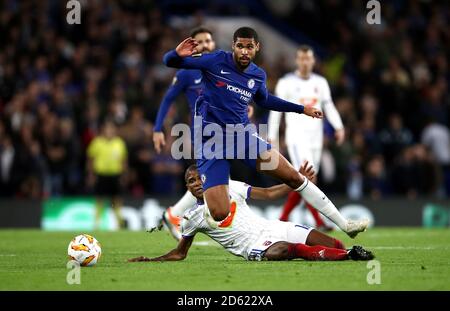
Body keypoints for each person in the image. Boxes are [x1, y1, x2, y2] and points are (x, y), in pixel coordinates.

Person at [162, 27, 368, 237]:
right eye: (240, 46)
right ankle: (212, 200)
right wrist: (176, 53)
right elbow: (170, 62)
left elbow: (266, 100)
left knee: (294, 177)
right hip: (211, 140)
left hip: (243, 137)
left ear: (256, 48)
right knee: (219, 213)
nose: (244, 51)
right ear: (233, 46)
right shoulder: (214, 61)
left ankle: (345, 224)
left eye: (249, 47)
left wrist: (301, 109)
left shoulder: (257, 75)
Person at [128, 163, 374, 262]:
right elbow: (180, 253)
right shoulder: (192, 218)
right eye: (191, 181)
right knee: (286, 250)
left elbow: (267, 194)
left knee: (332, 241)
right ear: (187, 188)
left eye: (199, 178)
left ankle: (344, 249)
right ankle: (350, 255)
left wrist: (295, 180)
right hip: (253, 247)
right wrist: (153, 260)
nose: (197, 183)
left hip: (272, 227)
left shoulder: (229, 186)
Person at [267, 45, 345, 229]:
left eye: (308, 58)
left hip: (315, 138)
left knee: (309, 180)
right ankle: (305, 220)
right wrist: (272, 136)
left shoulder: (320, 82)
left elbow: (329, 105)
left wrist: (339, 127)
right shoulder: (286, 82)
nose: (305, 62)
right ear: (297, 61)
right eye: (301, 59)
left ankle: (287, 219)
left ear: (313, 61)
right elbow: (276, 110)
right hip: (296, 137)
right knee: (307, 178)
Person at [152, 27, 216, 237]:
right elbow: (168, 98)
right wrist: (157, 129)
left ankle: (177, 214)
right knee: (210, 176)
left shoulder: (221, 67)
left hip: (224, 129)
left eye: (209, 40)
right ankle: (183, 214)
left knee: (212, 177)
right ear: (192, 47)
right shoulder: (187, 72)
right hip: (202, 130)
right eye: (201, 41)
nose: (206, 44)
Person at [87, 119, 128, 229]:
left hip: (115, 175)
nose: (109, 131)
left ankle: (120, 223)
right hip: (101, 175)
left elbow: (124, 160)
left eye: (111, 128)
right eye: (107, 128)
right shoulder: (97, 142)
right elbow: (91, 159)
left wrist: (124, 175)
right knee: (99, 199)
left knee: (117, 199)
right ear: (103, 130)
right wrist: (91, 175)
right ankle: (96, 224)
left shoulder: (119, 143)